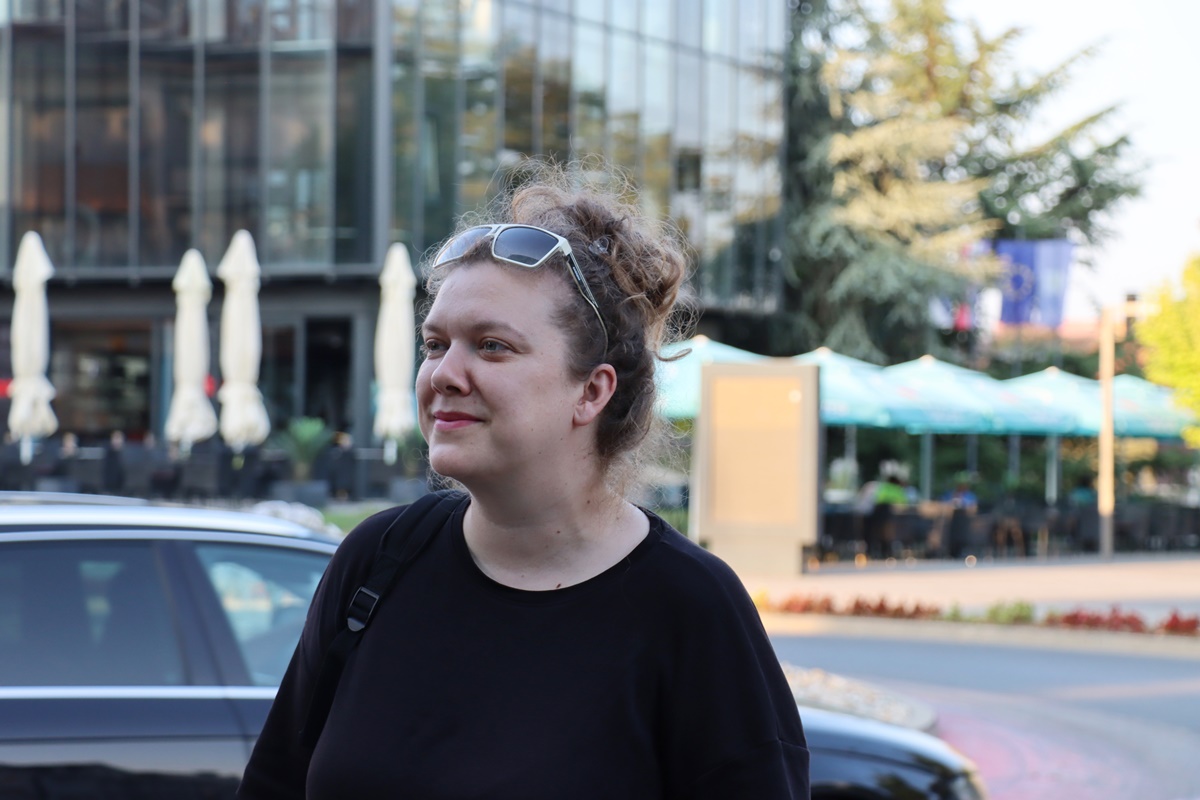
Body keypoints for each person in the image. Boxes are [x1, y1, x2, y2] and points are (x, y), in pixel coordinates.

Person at [238, 163, 810, 799]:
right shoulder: (378, 561)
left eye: (492, 346)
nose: (444, 374)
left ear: (591, 392)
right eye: (434, 344)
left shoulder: (691, 609)